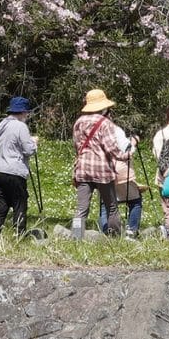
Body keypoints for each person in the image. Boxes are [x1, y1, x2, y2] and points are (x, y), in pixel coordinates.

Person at [70, 89, 131, 236]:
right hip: (102, 170)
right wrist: (127, 155)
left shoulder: (79, 122)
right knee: (111, 207)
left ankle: (76, 237)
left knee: (81, 208)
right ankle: (114, 237)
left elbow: (76, 145)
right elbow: (111, 149)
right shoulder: (105, 123)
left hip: (83, 168)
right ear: (103, 106)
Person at [0, 97, 37, 237]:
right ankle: (19, 235)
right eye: (27, 113)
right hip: (13, 170)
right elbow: (28, 150)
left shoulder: (1, 124)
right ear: (23, 112)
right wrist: (34, 143)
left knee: (1, 206)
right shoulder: (21, 126)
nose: (27, 115)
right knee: (20, 204)